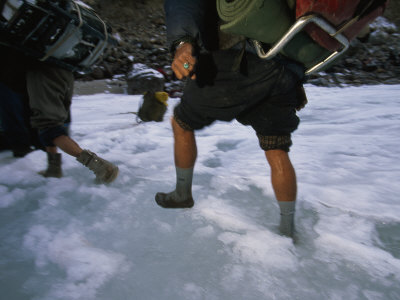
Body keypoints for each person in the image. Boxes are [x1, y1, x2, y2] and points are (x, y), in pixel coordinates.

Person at [155, 0, 309, 237]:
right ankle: (288, 229)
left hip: (231, 63)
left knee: (181, 123)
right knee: (276, 149)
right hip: (282, 68)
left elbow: (184, 5)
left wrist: (183, 43)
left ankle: (182, 194)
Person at [0, 45, 119, 183]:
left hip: (43, 74)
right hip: (63, 71)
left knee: (49, 127)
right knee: (49, 123)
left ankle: (102, 167)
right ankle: (53, 168)